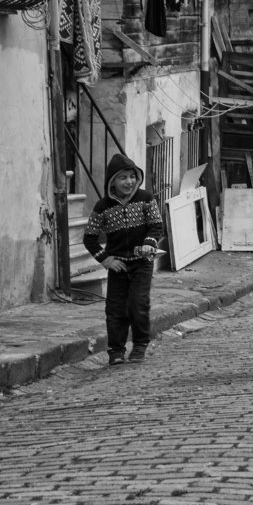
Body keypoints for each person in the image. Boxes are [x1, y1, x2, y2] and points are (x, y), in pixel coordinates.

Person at [83, 154, 165, 366]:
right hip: (118, 266)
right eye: (123, 178)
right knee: (115, 308)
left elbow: (156, 225)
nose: (129, 182)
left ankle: (139, 345)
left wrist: (149, 242)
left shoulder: (146, 198)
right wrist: (106, 260)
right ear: (112, 182)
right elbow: (89, 238)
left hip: (142, 262)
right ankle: (116, 350)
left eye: (132, 176)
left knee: (138, 303)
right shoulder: (103, 207)